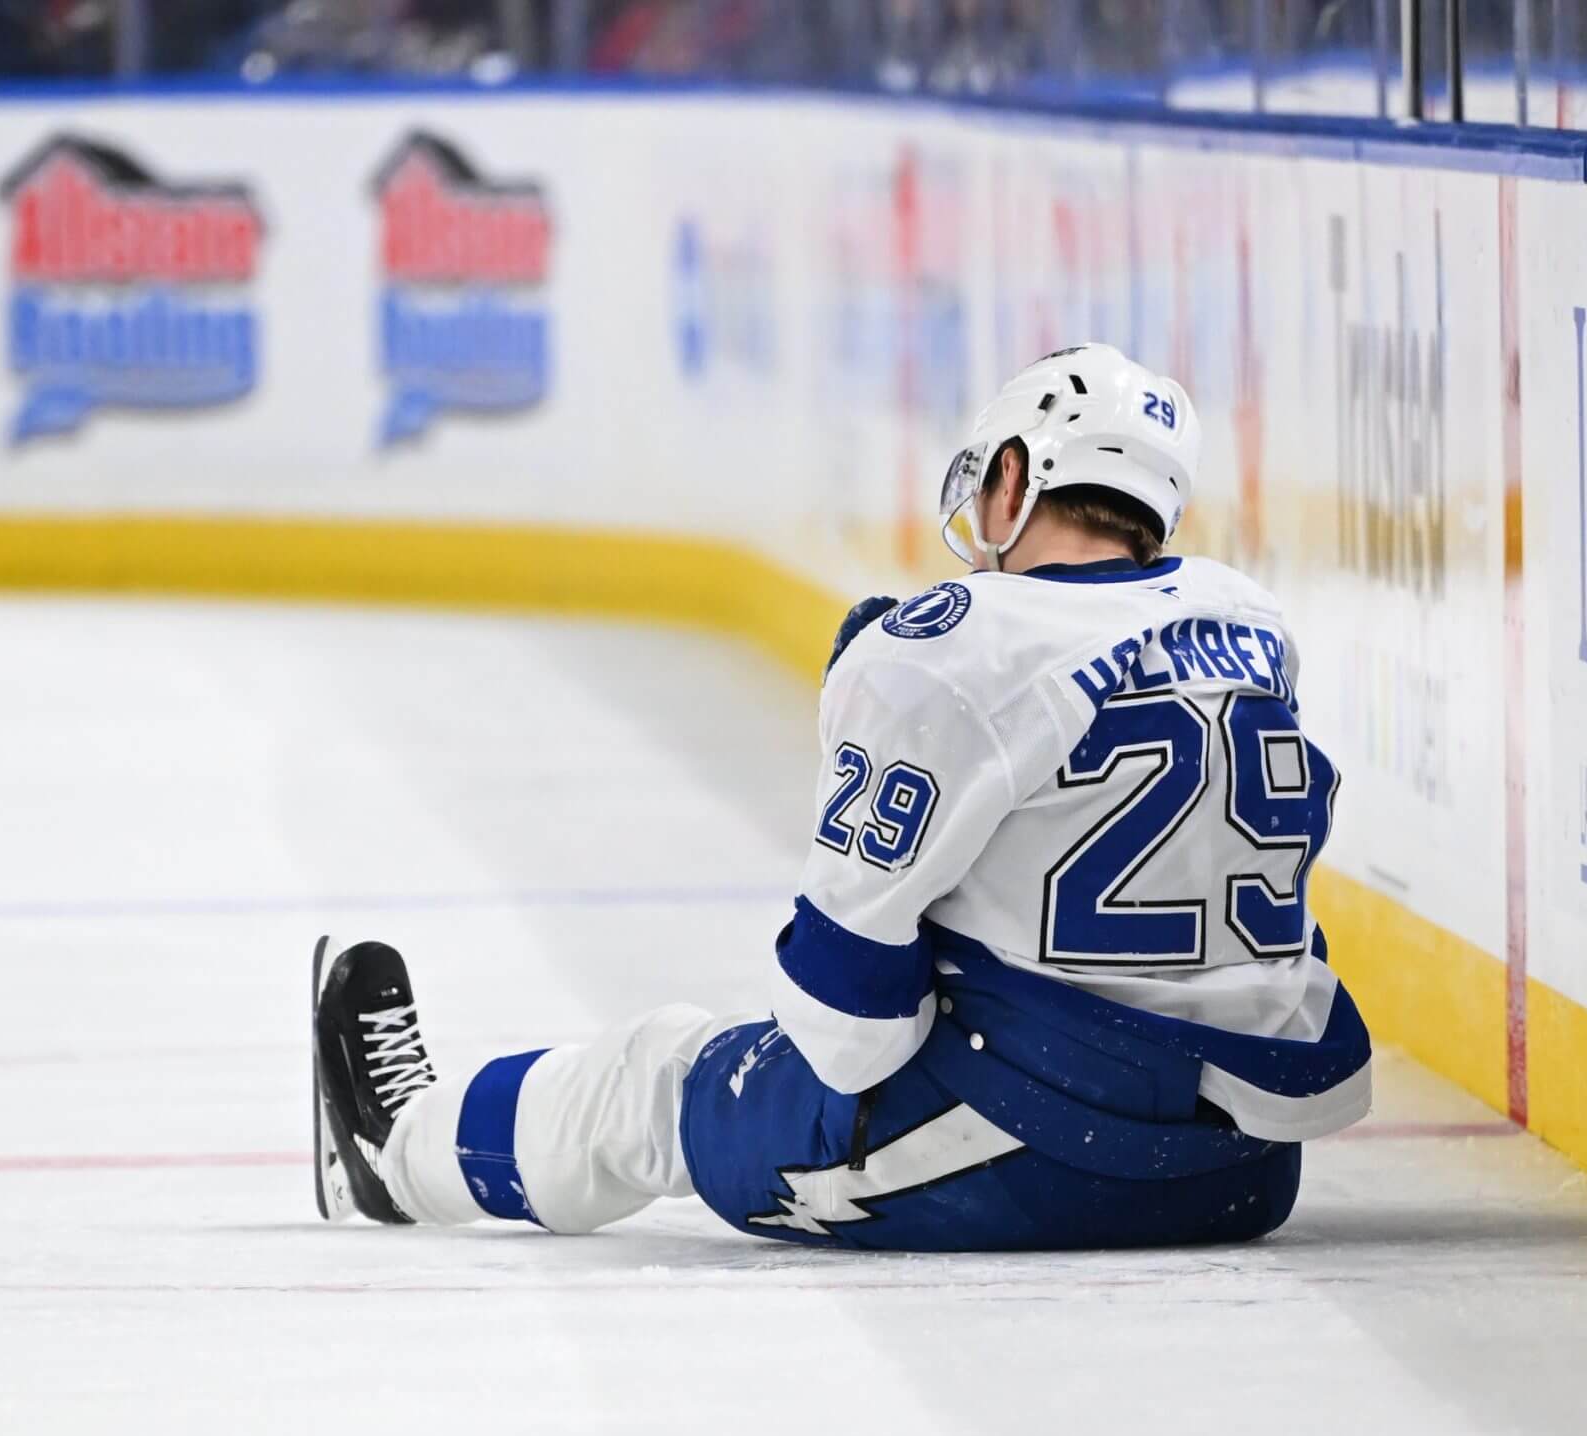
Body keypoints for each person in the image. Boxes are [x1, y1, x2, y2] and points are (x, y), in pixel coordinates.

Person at [311, 343, 1370, 1250]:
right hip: (1241, 1175)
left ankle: (396, 1151)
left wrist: (863, 739)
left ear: (1012, 476)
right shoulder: (1250, 619)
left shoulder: (950, 646)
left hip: (1022, 1167)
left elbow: (845, 1031)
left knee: (662, 1074)